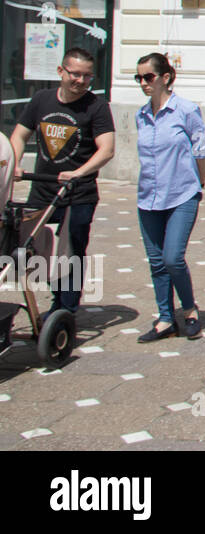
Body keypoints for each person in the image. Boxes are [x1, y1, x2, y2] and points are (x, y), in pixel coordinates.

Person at [10, 47, 115, 332]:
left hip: (78, 193)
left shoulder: (96, 106)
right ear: (61, 72)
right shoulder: (41, 100)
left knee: (71, 252)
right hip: (43, 190)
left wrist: (78, 173)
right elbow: (19, 135)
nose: (80, 81)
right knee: (32, 247)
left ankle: (65, 308)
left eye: (87, 76)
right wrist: (15, 165)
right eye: (75, 74)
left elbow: (107, 150)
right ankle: (54, 296)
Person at [133, 52, 205, 342]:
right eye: (139, 78)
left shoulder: (187, 110)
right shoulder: (141, 115)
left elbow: (202, 150)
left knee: (172, 258)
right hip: (148, 197)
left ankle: (189, 311)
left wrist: (199, 184)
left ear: (165, 77)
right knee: (156, 262)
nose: (143, 83)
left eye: (148, 77)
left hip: (181, 194)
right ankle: (166, 319)